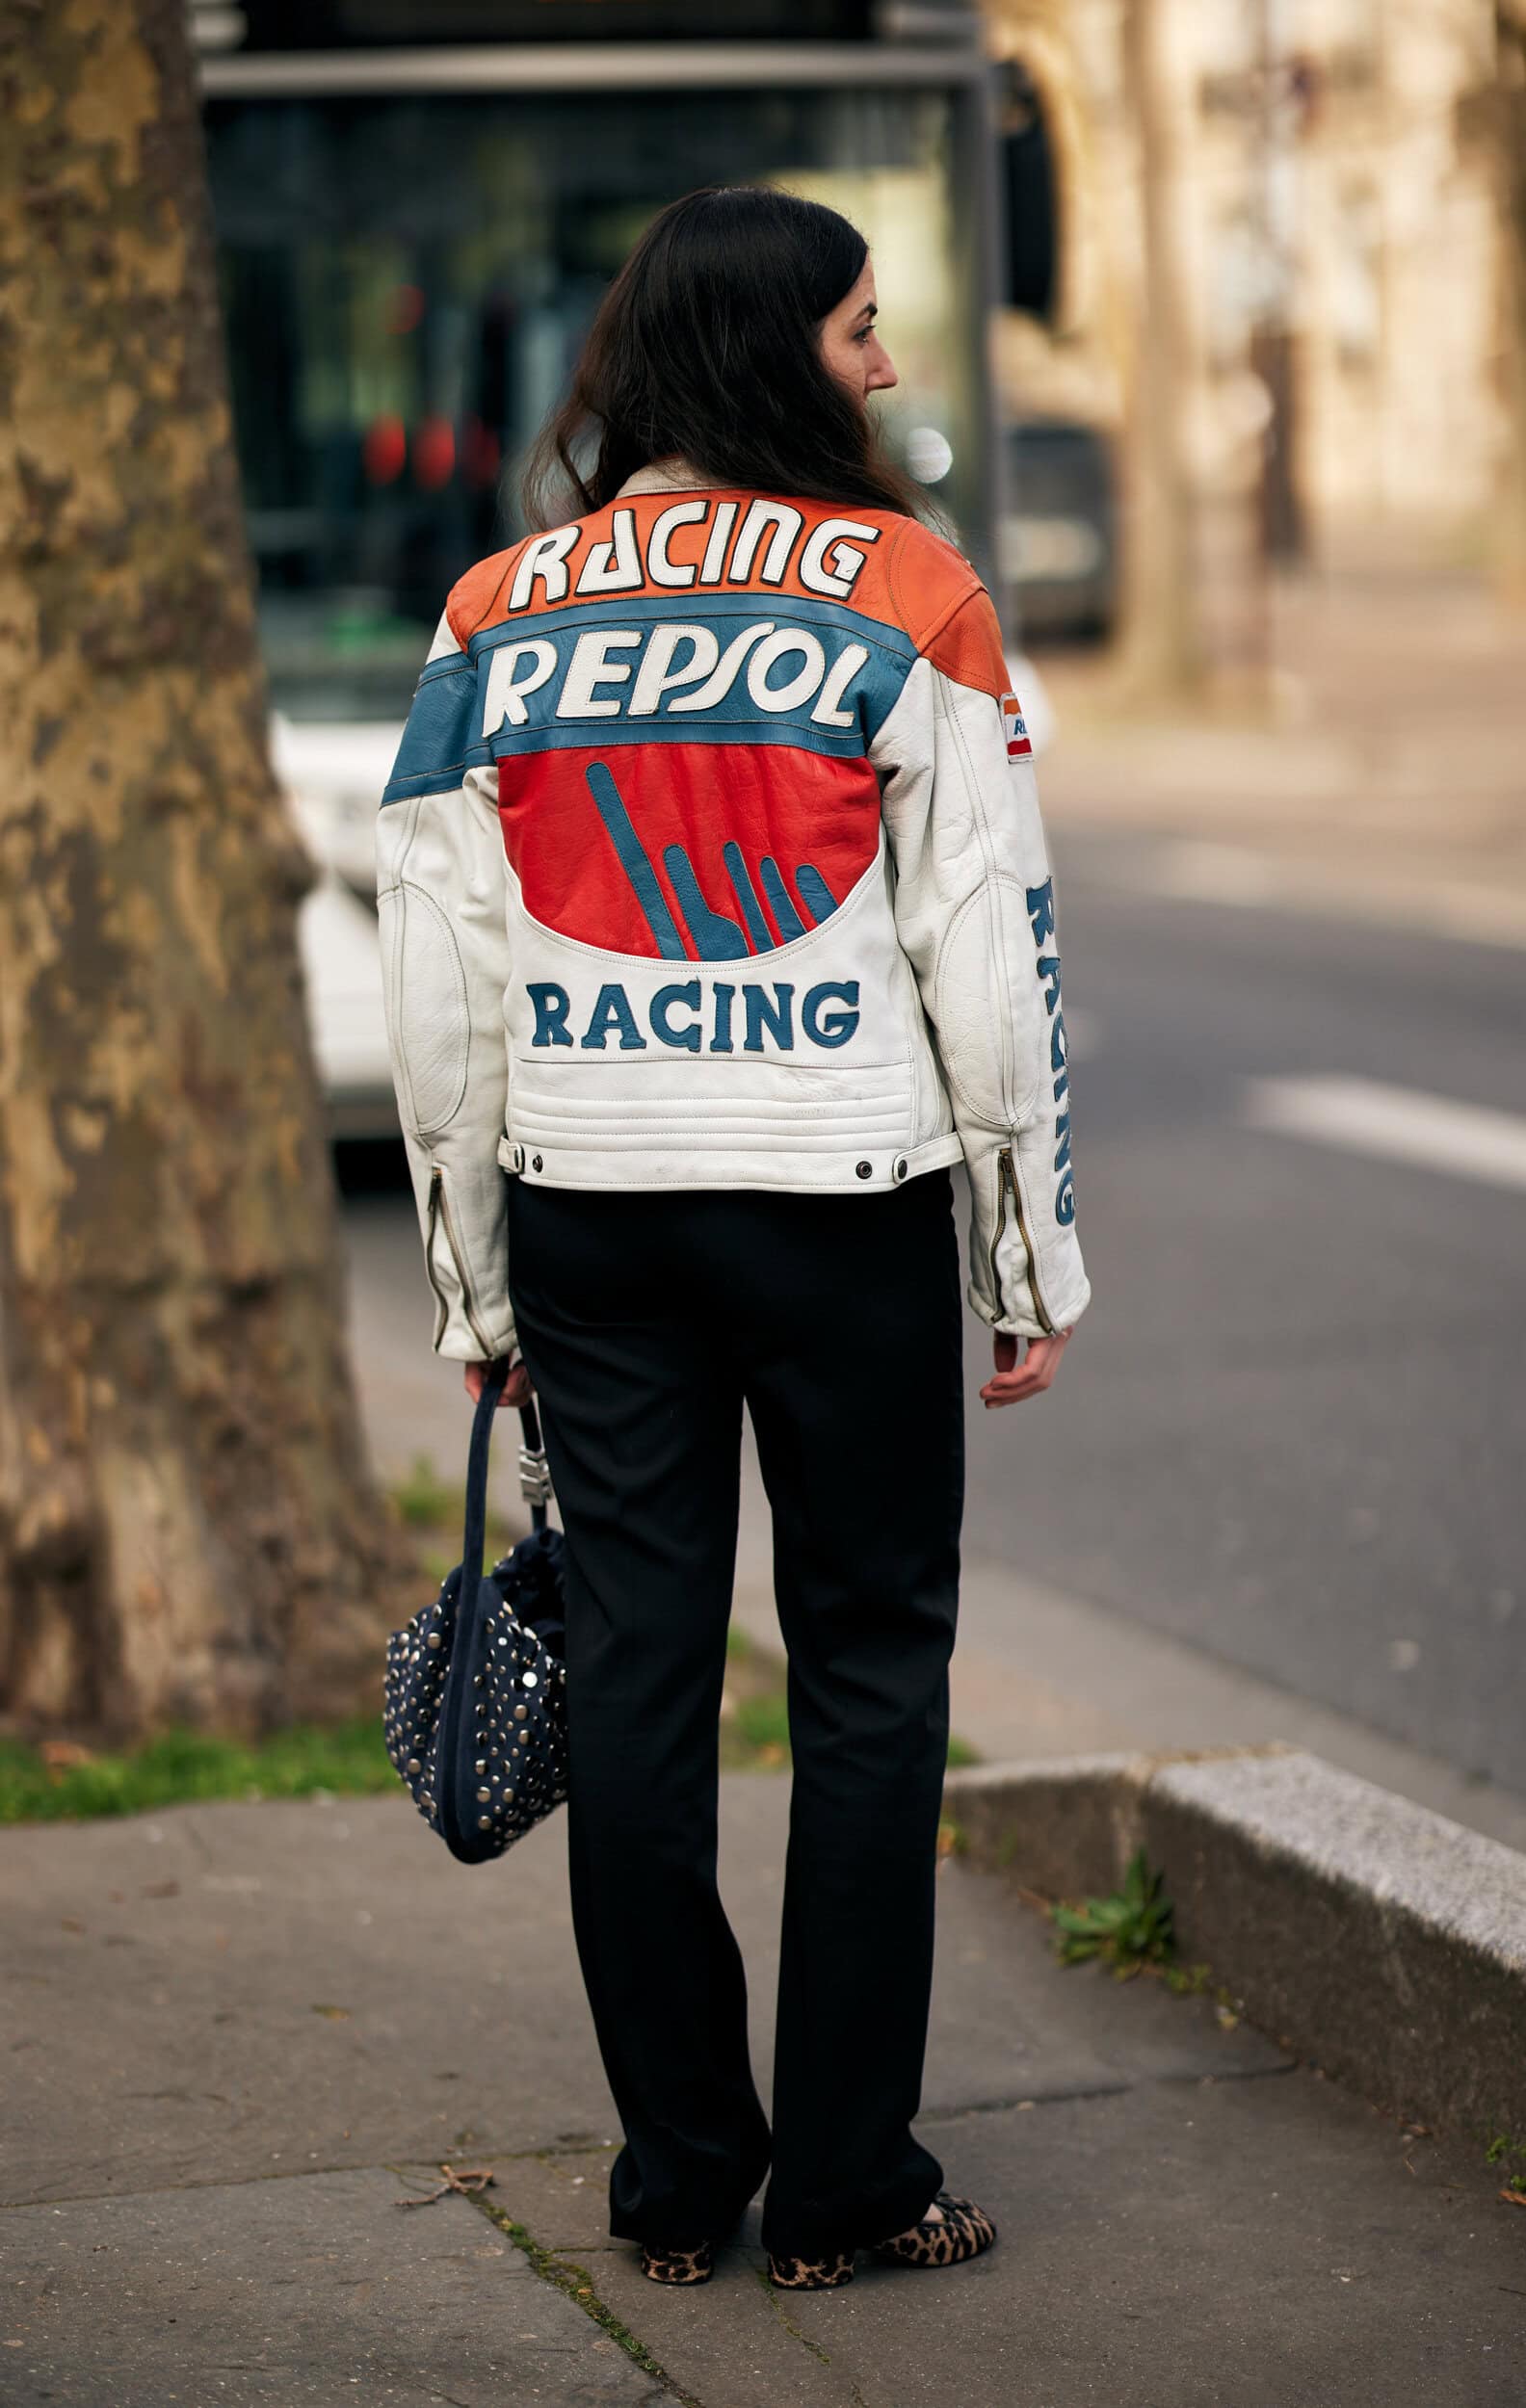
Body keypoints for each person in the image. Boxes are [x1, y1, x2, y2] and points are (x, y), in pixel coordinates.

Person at [376, 185, 1091, 2292]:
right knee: (871, 1673)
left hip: (596, 1208)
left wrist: (475, 1278)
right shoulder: (915, 589)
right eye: (863, 333)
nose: (885, 367)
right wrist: (1025, 1262)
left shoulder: (492, 608)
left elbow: (444, 978)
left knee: (643, 1684)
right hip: (844, 1198)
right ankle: (850, 2185)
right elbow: (993, 951)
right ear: (787, 354)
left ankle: (682, 2174)